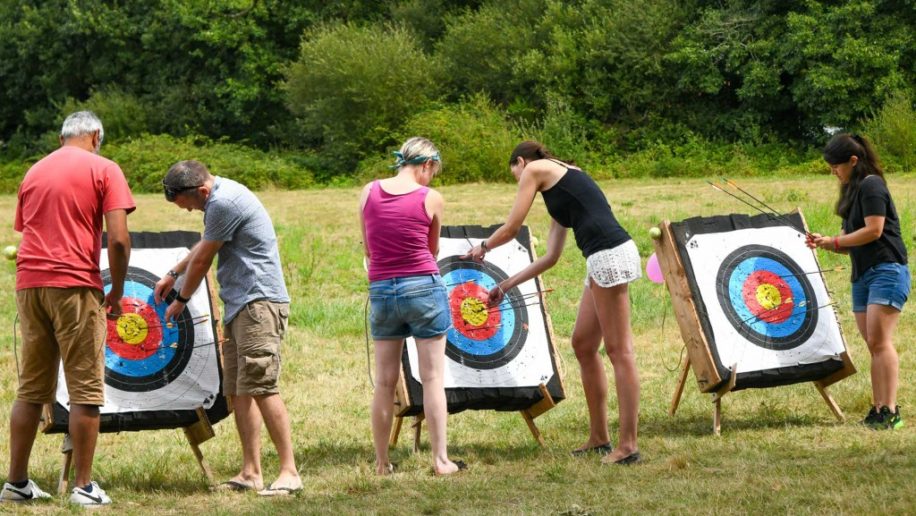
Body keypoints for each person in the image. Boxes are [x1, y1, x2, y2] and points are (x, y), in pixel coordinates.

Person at [465, 141, 641, 465]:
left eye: (515, 176)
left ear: (521, 162)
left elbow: (512, 226)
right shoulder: (562, 183)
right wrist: (505, 285)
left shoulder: (536, 169)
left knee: (620, 351)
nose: (520, 183)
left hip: (608, 254)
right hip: (600, 257)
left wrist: (483, 247)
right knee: (584, 344)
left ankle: (628, 446)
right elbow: (551, 257)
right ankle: (599, 437)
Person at [1, 111, 134, 506]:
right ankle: (84, 487)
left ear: (62, 137)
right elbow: (120, 240)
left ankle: (17, 483)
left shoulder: (33, 171)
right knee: (85, 389)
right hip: (74, 285)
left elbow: (28, 230)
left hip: (29, 284)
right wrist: (118, 291)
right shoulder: (105, 168)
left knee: (31, 389)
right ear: (96, 136)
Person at [153, 160, 302, 494]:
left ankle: (289, 472)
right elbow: (206, 244)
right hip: (242, 304)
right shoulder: (219, 196)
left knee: (262, 386)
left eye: (190, 205)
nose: (191, 212)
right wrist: (174, 272)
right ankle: (251, 473)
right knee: (238, 391)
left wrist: (181, 299)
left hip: (259, 305)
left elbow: (204, 259)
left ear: (202, 191)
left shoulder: (223, 201)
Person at [359, 137, 464, 476]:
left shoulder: (368, 191)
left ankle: (381, 462)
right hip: (422, 287)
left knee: (385, 382)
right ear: (427, 165)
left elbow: (369, 248)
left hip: (381, 290)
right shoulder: (431, 198)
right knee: (432, 378)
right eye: (434, 171)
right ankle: (440, 460)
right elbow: (431, 249)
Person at [807, 133, 908, 430]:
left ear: (853, 160)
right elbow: (853, 240)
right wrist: (828, 242)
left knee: (880, 342)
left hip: (887, 270)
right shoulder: (851, 190)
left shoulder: (872, 184)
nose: (833, 171)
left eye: (836, 166)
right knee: (873, 344)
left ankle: (890, 411)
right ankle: (878, 409)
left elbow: (874, 231)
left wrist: (836, 240)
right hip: (862, 275)